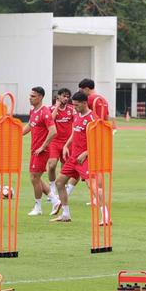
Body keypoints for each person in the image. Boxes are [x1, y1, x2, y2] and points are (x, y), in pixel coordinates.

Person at [50, 91, 109, 225]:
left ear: (84, 103)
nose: (74, 108)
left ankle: (106, 216)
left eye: (77, 105)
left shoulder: (93, 119)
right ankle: (65, 214)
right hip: (73, 158)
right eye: (74, 105)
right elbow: (74, 132)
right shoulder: (76, 115)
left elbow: (100, 140)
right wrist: (66, 145)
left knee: (92, 186)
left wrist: (86, 153)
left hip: (86, 158)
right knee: (59, 182)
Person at [20, 86, 56, 216]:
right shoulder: (33, 111)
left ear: (40, 97)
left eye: (33, 96)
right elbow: (30, 125)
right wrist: (16, 135)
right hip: (34, 149)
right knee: (36, 178)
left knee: (34, 178)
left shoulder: (45, 112)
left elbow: (53, 131)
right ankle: (55, 200)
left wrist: (43, 146)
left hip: (41, 151)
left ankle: (38, 207)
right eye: (30, 96)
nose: (30, 98)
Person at [46, 88, 75, 215]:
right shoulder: (51, 109)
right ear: (58, 97)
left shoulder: (71, 110)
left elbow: (76, 123)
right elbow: (49, 121)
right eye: (64, 96)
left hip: (67, 143)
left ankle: (62, 191)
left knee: (65, 169)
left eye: (68, 96)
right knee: (52, 165)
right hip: (54, 142)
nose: (66, 98)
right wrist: (56, 108)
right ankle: (52, 188)